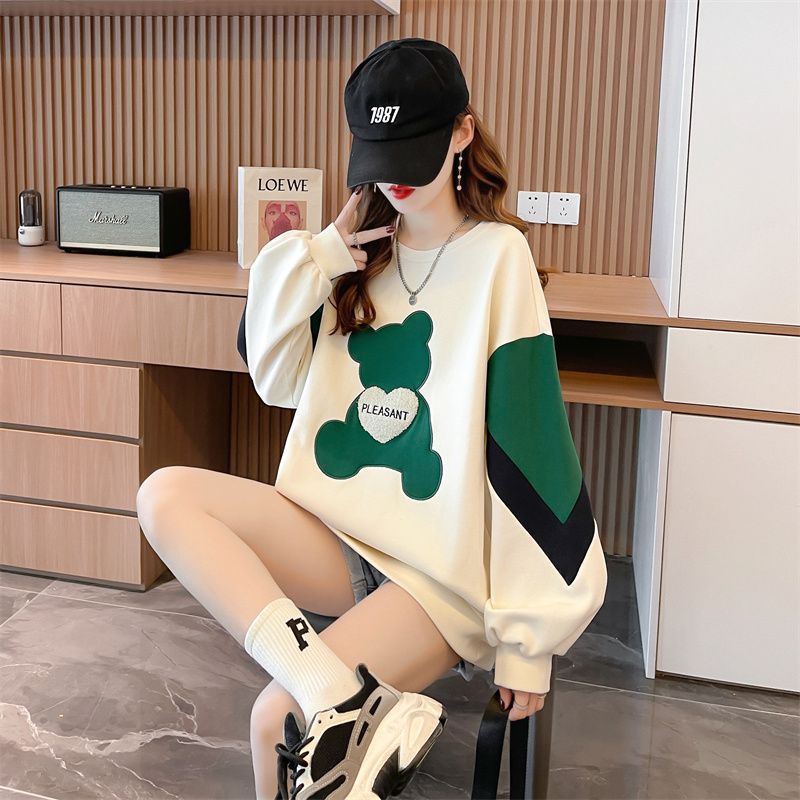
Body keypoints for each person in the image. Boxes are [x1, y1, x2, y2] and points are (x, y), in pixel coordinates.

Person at [137, 37, 607, 800]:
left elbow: (531, 447)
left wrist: (529, 644)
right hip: (340, 534)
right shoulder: (352, 256)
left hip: (436, 571)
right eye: (380, 158)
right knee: (163, 494)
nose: (394, 178)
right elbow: (272, 378)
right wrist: (323, 257)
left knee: (274, 719)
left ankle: (328, 703)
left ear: (462, 132)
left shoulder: (499, 259)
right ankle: (336, 694)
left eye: (413, 152)